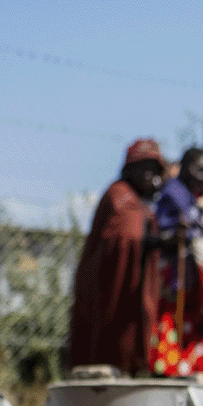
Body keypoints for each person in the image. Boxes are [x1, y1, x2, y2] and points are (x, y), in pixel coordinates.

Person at [69, 139, 165, 376]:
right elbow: (128, 237)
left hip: (134, 294)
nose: (149, 175)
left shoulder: (141, 203)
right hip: (111, 294)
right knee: (107, 350)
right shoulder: (119, 196)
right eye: (144, 168)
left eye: (154, 169)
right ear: (129, 169)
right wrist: (152, 242)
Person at [150, 147, 203, 382]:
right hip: (174, 278)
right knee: (170, 329)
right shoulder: (174, 193)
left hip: (191, 281)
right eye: (200, 170)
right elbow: (164, 230)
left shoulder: (193, 196)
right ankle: (167, 376)